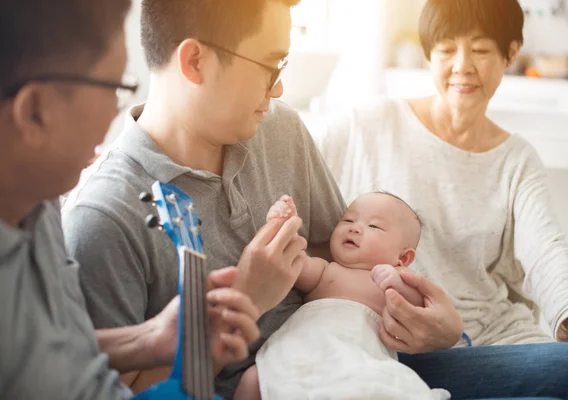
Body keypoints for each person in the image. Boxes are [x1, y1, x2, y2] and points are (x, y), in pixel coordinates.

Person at [61, 0, 368, 398]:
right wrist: (244, 302)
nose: (278, 88)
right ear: (195, 61)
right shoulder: (102, 217)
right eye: (270, 67)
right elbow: (124, 392)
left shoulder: (282, 129)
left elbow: (344, 257)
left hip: (352, 364)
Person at [318, 0, 568, 398]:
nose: (462, 66)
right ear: (428, 54)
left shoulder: (516, 159)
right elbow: (300, 203)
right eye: (447, 49)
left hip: (495, 341)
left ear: (511, 52)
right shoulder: (368, 124)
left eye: (481, 49)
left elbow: (548, 258)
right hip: (390, 343)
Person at [0, 0, 261, 399]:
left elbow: (46, 352)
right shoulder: (93, 211)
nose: (117, 114)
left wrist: (149, 338)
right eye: (116, 88)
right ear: (35, 112)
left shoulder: (39, 196)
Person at [235, 192, 453, 400]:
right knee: (254, 379)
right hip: (300, 352)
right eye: (348, 220)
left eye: (373, 226)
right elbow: (291, 261)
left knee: (363, 387)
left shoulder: (400, 280)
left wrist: (397, 284)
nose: (355, 229)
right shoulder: (325, 271)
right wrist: (283, 226)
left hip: (358, 356)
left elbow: (420, 309)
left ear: (403, 257)